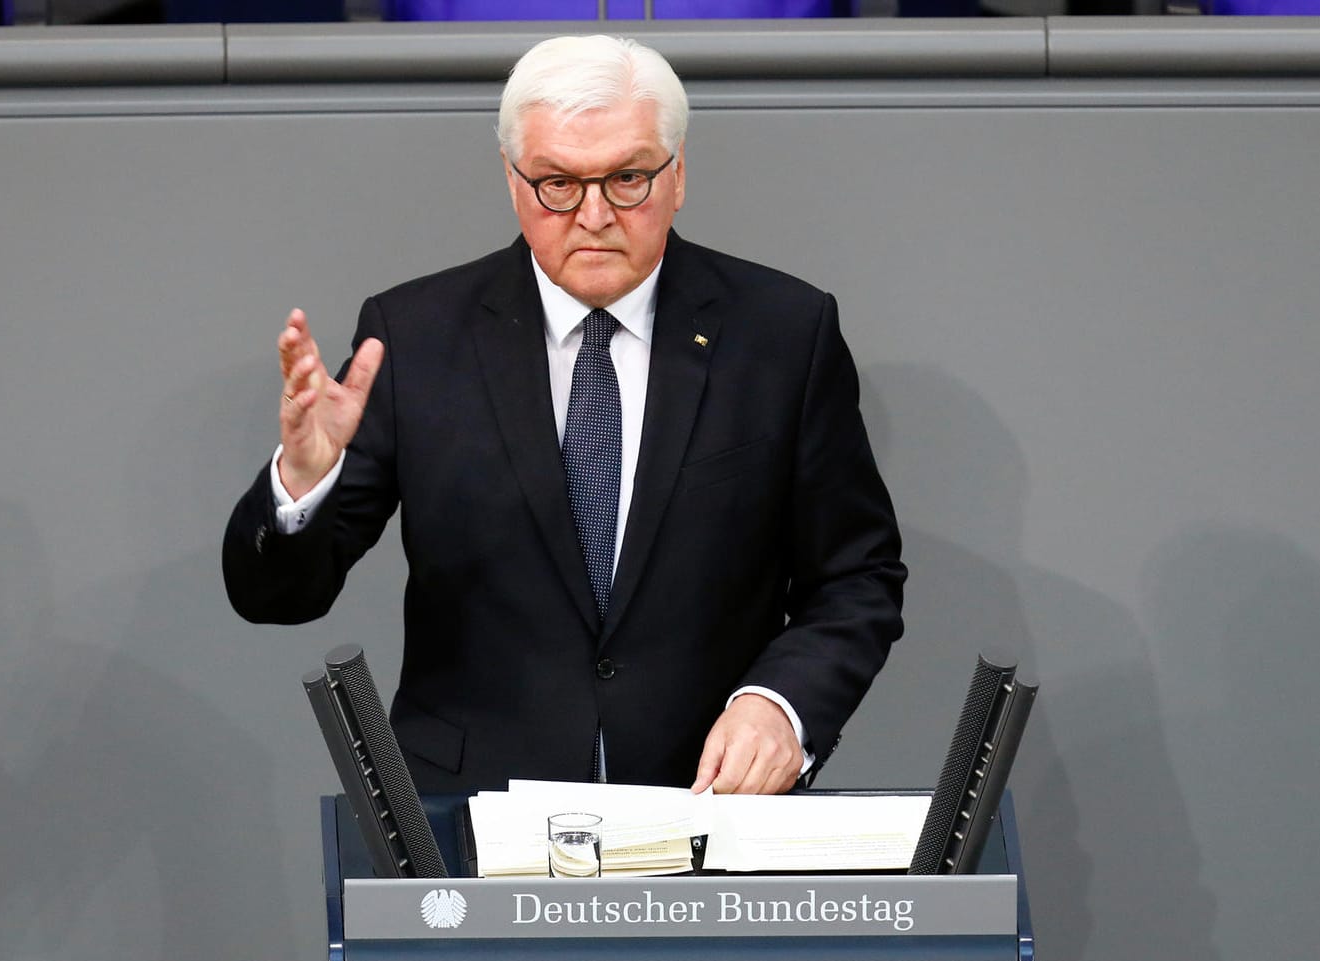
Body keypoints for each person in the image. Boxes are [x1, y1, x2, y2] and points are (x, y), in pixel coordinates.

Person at [223, 35, 905, 796]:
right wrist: (301, 483)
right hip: (470, 815)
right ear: (513, 183)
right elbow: (277, 596)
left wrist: (781, 707)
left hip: (708, 806)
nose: (592, 214)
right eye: (556, 183)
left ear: (677, 175)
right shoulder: (415, 337)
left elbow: (855, 576)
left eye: (627, 178)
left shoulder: (782, 332)